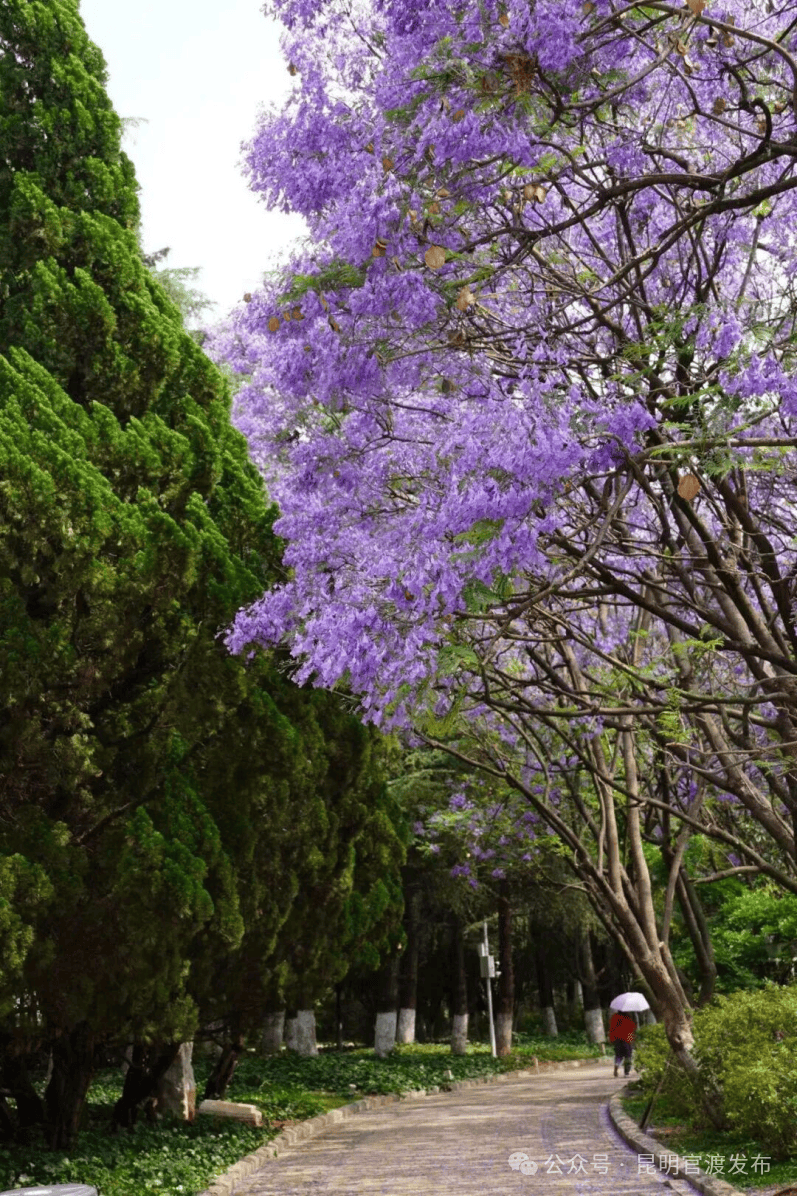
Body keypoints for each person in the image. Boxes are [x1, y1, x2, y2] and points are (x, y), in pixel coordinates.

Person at [609, 1010, 636, 1077]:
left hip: (617, 1040)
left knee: (618, 1055)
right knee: (628, 1057)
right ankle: (626, 1073)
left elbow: (611, 1028)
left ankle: (617, 1065)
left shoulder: (614, 1017)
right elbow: (632, 1029)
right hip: (627, 1040)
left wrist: (611, 1039)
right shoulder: (628, 1018)